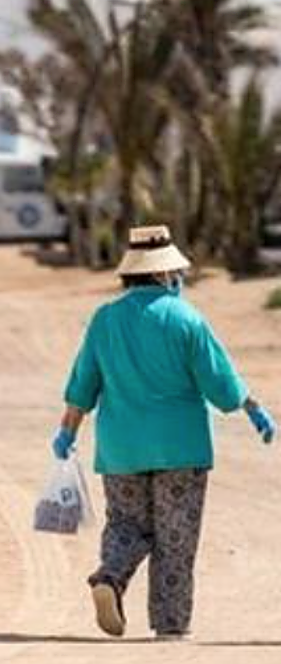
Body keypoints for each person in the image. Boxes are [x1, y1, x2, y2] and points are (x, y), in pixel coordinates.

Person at [53, 225, 275, 640]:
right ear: (163, 273)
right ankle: (171, 625)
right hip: (181, 449)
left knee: (126, 525)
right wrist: (255, 409)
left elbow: (83, 383)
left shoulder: (104, 319)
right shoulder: (185, 318)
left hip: (121, 449)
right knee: (176, 538)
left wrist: (67, 431)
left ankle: (111, 577)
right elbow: (220, 382)